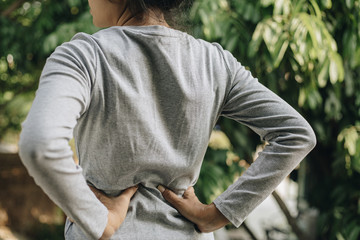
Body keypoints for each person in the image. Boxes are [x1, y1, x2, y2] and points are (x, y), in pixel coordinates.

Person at [18, 0, 316, 239]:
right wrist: (217, 214)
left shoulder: (84, 56)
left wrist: (101, 221)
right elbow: (296, 135)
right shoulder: (215, 63)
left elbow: (40, 144)